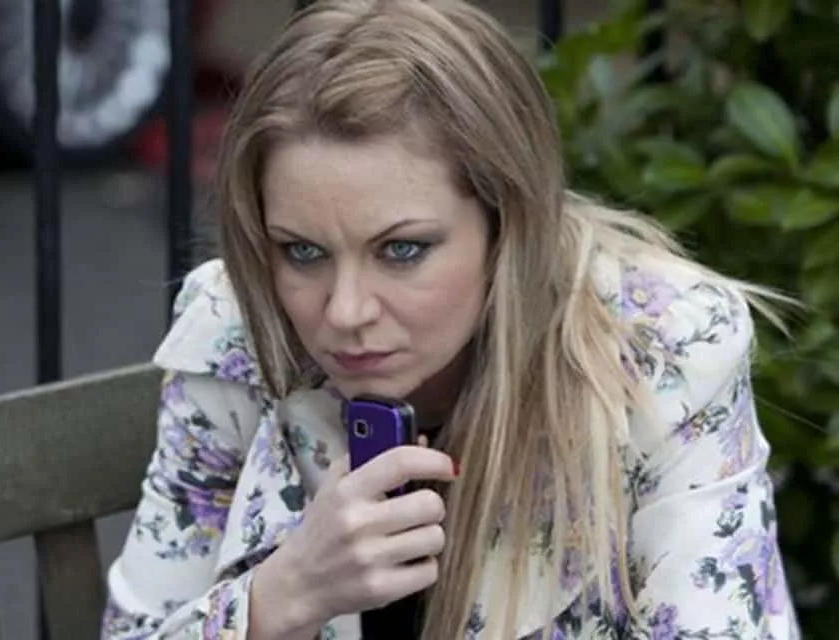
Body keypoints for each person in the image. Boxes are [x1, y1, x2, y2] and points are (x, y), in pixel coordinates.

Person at [101, 1, 800, 638]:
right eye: (302, 252)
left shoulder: (660, 349)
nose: (345, 312)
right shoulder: (236, 332)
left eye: (402, 250)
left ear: (507, 226)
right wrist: (283, 596)